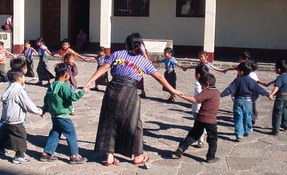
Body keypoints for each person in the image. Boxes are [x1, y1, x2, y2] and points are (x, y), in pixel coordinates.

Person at [85, 33, 182, 166]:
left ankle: (109, 156)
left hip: (112, 89)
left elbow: (104, 68)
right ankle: (138, 156)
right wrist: (172, 90)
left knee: (109, 119)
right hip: (129, 91)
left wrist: (90, 81)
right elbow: (159, 77)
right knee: (135, 122)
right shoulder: (143, 61)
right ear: (140, 46)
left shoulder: (117, 54)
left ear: (126, 43)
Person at [40, 63, 89, 164]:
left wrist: (44, 109)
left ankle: (47, 153)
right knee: (71, 133)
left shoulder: (52, 85)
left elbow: (46, 99)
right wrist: (83, 91)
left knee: (55, 133)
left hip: (54, 116)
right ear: (66, 75)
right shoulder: (64, 87)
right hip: (63, 116)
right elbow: (72, 97)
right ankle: (74, 156)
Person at [0, 70, 43, 164]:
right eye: (24, 77)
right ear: (19, 78)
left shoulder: (11, 87)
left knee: (7, 133)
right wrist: (38, 111)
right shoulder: (19, 90)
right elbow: (27, 104)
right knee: (20, 136)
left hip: (7, 117)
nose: (24, 79)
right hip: (15, 118)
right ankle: (19, 156)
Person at [174, 74, 221, 163]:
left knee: (193, 135)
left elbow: (196, 100)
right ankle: (210, 157)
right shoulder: (217, 92)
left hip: (200, 118)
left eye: (202, 86)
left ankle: (182, 148)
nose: (202, 88)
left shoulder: (206, 92)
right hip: (211, 120)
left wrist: (183, 97)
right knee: (212, 139)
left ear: (206, 84)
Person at [221, 62, 270, 141]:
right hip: (248, 102)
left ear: (241, 72)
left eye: (238, 71)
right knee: (247, 116)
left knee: (238, 118)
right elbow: (259, 89)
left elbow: (230, 89)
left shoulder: (237, 80)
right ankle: (247, 130)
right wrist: (268, 94)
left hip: (238, 101)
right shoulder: (252, 81)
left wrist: (221, 95)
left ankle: (239, 135)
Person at [192, 65, 210, 147]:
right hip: (207, 107)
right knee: (203, 123)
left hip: (198, 107)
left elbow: (199, 94)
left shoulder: (198, 84)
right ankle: (201, 136)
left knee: (199, 124)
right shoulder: (209, 83)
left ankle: (201, 138)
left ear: (198, 75)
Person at [268, 60, 287, 135]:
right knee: (285, 110)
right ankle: (285, 125)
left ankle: (275, 129)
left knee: (277, 112)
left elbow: (277, 86)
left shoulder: (280, 77)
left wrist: (272, 94)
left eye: (275, 68)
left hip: (281, 96)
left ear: (279, 69)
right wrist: (269, 83)